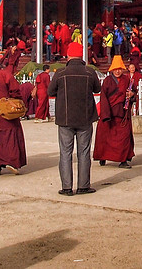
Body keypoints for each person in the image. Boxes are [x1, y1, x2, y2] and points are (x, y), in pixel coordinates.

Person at [48, 41, 100, 195]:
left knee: (65, 153)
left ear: (68, 55)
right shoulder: (90, 72)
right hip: (85, 118)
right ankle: (84, 186)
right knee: (84, 153)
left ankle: (67, 187)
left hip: (65, 119)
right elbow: (98, 88)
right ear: (82, 55)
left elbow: (51, 91)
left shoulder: (60, 73)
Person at [93, 55, 135, 169]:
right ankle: (102, 156)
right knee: (105, 137)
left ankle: (123, 160)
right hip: (110, 114)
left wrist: (132, 95)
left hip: (123, 114)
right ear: (112, 70)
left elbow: (134, 93)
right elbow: (104, 98)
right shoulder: (107, 81)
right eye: (115, 69)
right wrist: (105, 115)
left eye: (119, 69)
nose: (117, 71)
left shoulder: (127, 80)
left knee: (124, 138)